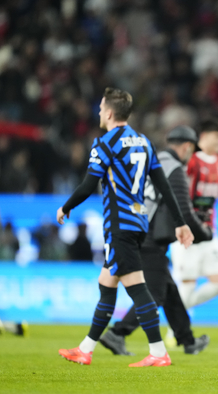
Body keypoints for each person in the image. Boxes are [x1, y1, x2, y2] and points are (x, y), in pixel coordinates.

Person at [56, 87, 194, 367]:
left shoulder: (105, 143)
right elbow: (162, 184)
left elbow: (88, 184)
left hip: (118, 224)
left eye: (100, 108)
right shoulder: (143, 142)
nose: (98, 113)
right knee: (107, 284)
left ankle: (158, 352)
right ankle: (86, 349)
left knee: (138, 288)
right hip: (138, 221)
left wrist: (66, 206)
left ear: (108, 112)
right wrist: (180, 222)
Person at [100, 125, 212, 356]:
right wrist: (204, 234)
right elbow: (184, 212)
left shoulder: (147, 162)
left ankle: (187, 340)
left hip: (132, 230)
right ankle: (117, 333)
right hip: (150, 240)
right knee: (156, 293)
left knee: (168, 291)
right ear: (187, 147)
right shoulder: (174, 169)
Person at [169, 119, 218, 328]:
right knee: (188, 281)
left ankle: (175, 315)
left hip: (209, 231)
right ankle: (176, 331)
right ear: (203, 136)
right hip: (189, 231)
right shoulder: (192, 160)